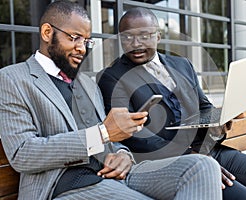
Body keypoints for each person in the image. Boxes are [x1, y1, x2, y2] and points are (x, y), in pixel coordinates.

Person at [0, 1, 223, 200]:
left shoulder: (87, 82)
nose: (81, 48)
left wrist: (123, 154)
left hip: (116, 174)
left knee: (202, 167)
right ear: (47, 32)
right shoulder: (12, 79)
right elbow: (22, 154)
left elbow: (111, 138)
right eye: (75, 37)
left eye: (87, 41)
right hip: (66, 185)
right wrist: (102, 134)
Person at [97, 7, 246, 200]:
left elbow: (204, 107)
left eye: (144, 35)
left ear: (157, 36)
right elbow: (135, 137)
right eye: (127, 37)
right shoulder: (112, 78)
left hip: (212, 150)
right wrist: (195, 161)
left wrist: (219, 122)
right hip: (175, 165)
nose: (136, 43)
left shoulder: (182, 64)